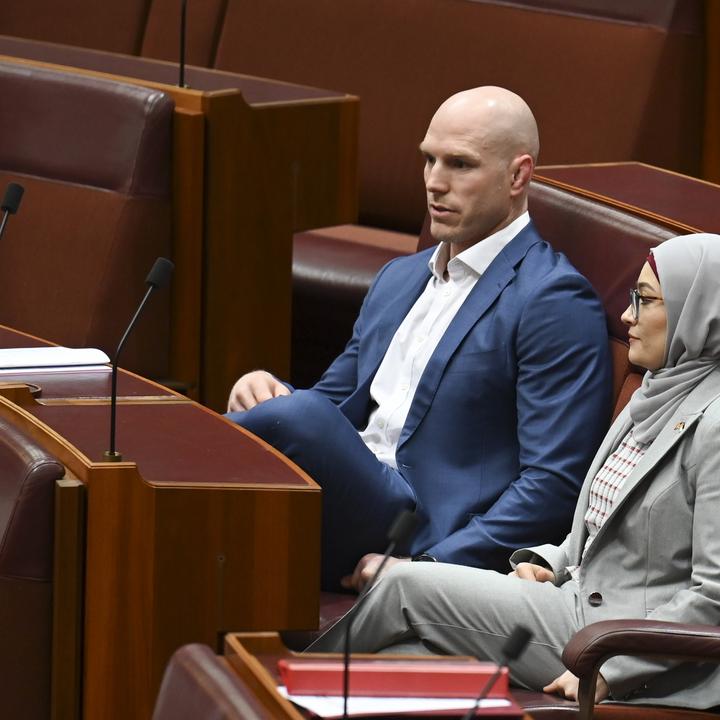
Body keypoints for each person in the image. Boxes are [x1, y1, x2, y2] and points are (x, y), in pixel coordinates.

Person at [310, 233, 720, 710]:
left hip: (610, 642)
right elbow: (596, 534)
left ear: (700, 312)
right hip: (569, 607)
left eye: (646, 300)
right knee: (401, 656)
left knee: (401, 586)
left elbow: (719, 591)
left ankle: (276, 691)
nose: (626, 315)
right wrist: (547, 564)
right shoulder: (653, 394)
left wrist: (612, 670)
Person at [225, 87, 613, 590]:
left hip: (418, 530)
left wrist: (427, 569)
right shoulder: (399, 278)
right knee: (252, 434)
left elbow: (553, 484)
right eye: (428, 160)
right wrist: (265, 388)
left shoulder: (552, 299)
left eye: (460, 165)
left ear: (517, 175)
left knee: (281, 426)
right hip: (341, 498)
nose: (434, 182)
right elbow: (330, 404)